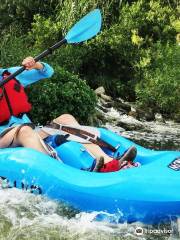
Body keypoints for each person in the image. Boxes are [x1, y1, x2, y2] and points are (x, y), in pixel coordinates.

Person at [39, 114, 140, 172]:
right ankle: (109, 163)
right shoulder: (24, 130)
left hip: (41, 130)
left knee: (67, 118)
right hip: (42, 140)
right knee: (71, 136)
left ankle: (110, 158)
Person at [0, 57, 54, 156]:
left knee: (66, 119)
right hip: (3, 138)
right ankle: (51, 169)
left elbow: (48, 72)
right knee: (24, 131)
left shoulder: (11, 74)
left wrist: (36, 65)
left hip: (27, 127)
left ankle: (90, 168)